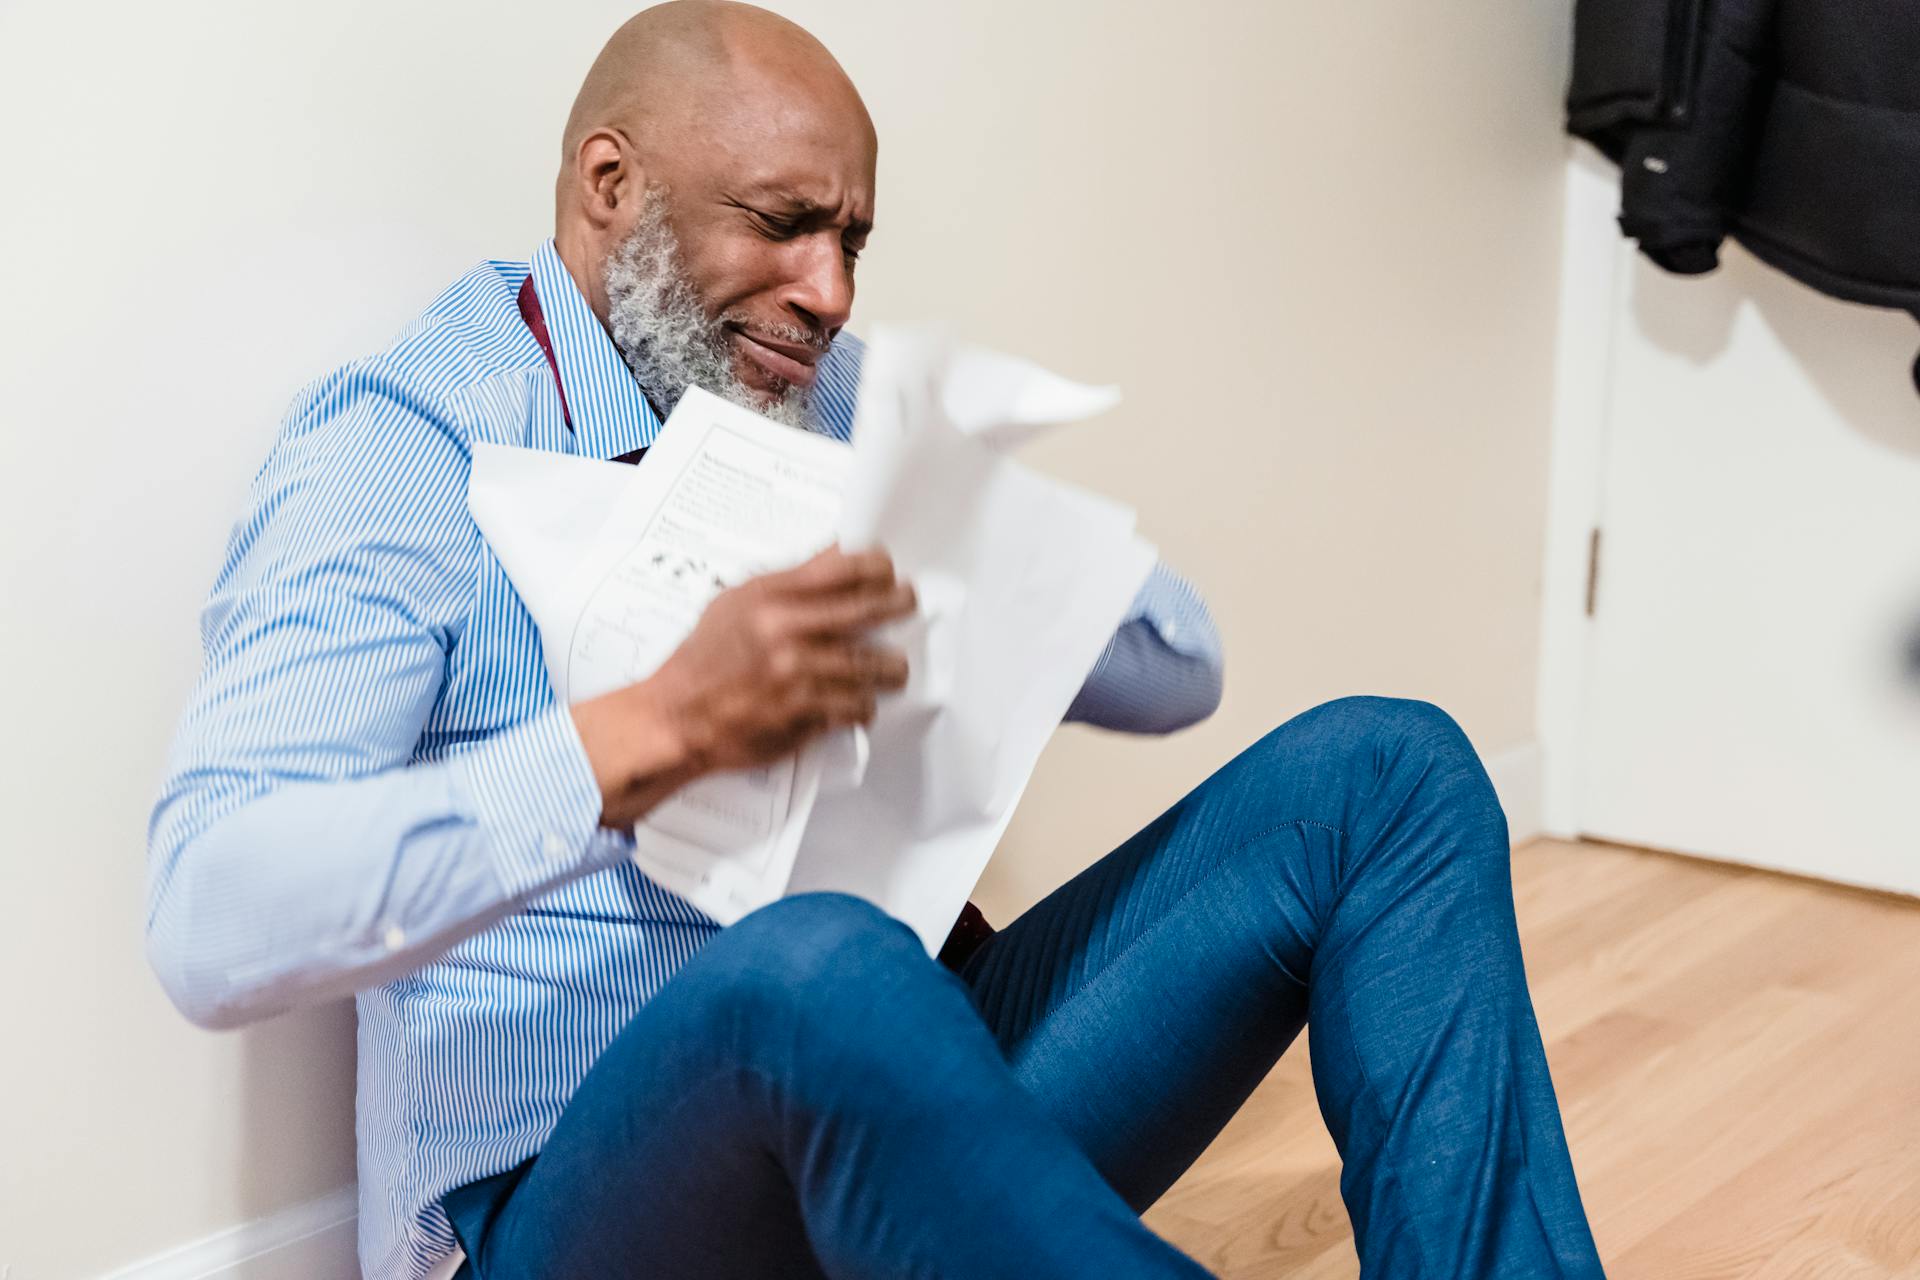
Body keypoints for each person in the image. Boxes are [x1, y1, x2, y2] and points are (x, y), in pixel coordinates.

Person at [146, 4, 1607, 1277]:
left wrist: (959, 521)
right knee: (818, 968)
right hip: (565, 1208)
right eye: (782, 225)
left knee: (1389, 774)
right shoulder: (407, 441)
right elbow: (211, 919)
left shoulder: (826, 397)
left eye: (848, 241)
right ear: (612, 186)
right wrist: (650, 738)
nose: (831, 291)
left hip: (897, 1090)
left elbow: (1183, 669)